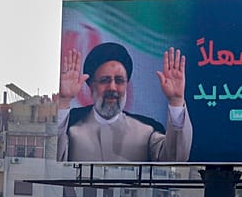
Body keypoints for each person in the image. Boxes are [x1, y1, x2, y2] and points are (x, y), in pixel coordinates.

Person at [56, 42, 193, 162]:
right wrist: (64, 100)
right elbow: (51, 155)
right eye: (104, 80)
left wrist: (176, 100)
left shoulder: (147, 130)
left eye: (119, 81)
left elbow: (175, 158)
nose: (112, 87)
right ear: (91, 86)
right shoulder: (69, 125)